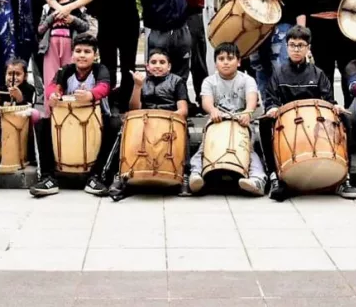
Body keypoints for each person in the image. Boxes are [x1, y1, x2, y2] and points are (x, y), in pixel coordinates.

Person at [260, 26, 356, 201]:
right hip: (288, 125)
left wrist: (335, 107)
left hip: (316, 124)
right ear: (287, 47)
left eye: (300, 45)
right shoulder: (278, 73)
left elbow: (328, 99)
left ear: (308, 48)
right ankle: (275, 176)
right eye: (292, 45)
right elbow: (271, 99)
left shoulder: (318, 74)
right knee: (264, 122)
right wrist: (272, 108)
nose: (296, 49)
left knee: (345, 118)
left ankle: (345, 178)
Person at [29, 34, 117, 197]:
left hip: (97, 118)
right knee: (41, 124)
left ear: (95, 55)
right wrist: (53, 96)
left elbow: (104, 87)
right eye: (78, 51)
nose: (82, 55)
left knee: (115, 126)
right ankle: (48, 177)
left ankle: (97, 176)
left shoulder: (100, 69)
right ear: (72, 54)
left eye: (87, 51)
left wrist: (90, 95)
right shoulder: (66, 70)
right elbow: (53, 87)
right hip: (66, 121)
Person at [107, 48, 190, 199]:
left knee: (184, 129)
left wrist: (166, 118)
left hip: (169, 122)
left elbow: (183, 110)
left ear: (169, 66)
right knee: (124, 128)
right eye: (153, 62)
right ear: (147, 66)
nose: (157, 65)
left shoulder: (177, 81)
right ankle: (119, 175)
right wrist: (138, 86)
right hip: (146, 123)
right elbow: (134, 109)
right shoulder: (143, 82)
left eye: (162, 62)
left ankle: (185, 175)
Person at [188, 42, 267, 196]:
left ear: (238, 62)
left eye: (230, 58)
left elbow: (252, 99)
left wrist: (248, 112)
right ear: (215, 62)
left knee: (249, 150)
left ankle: (258, 179)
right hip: (217, 122)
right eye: (221, 58)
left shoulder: (247, 79)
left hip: (240, 122)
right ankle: (196, 175)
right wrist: (212, 110)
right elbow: (206, 101)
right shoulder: (209, 81)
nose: (225, 62)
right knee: (203, 149)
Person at [38, 0, 91, 98]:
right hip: (51, 45)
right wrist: (51, 17)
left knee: (70, 75)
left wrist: (73, 19)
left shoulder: (76, 4)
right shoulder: (47, 7)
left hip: (71, 45)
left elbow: (86, 27)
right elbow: (40, 29)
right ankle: (50, 113)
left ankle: (69, 108)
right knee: (50, 77)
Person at [180, 0, 216, 113]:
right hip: (173, 14)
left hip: (193, 12)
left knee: (197, 59)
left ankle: (204, 99)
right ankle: (181, 100)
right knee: (179, 60)